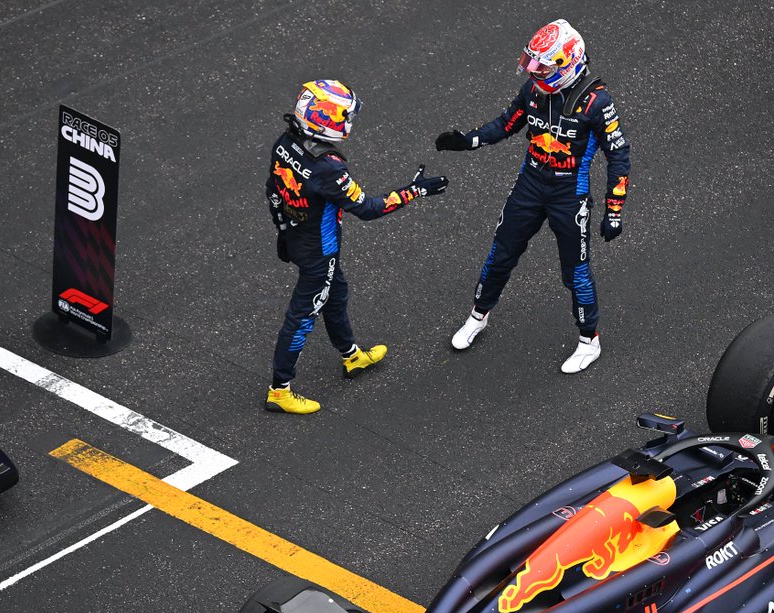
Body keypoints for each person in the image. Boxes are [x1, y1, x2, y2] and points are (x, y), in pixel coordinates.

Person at [436, 19, 630, 374]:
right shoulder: (534, 90)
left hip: (570, 194)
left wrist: (613, 209)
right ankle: (478, 316)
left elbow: (618, 155)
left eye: (542, 66)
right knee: (501, 253)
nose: (534, 72)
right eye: (533, 65)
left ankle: (590, 341)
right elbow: (506, 124)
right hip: (530, 184)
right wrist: (468, 140)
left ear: (567, 63)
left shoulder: (596, 103)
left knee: (576, 273)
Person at [265, 79, 448, 413]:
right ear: (325, 120)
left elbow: (273, 191)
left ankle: (351, 356)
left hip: (298, 235)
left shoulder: (285, 142)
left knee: (337, 295)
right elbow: (368, 209)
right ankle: (279, 390)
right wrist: (414, 190)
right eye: (344, 117)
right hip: (320, 251)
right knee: (302, 316)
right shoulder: (329, 169)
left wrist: (283, 231)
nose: (348, 123)